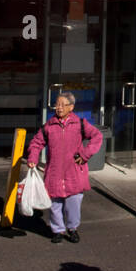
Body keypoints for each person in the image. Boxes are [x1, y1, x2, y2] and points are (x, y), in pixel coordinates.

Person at [25, 91, 102, 243]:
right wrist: (33, 157)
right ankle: (57, 230)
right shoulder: (49, 125)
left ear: (71, 107)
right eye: (56, 104)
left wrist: (85, 155)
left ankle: (72, 229)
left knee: (73, 203)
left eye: (62, 104)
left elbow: (97, 136)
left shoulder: (80, 123)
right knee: (55, 204)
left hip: (74, 171)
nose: (58, 108)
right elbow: (36, 142)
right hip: (54, 171)